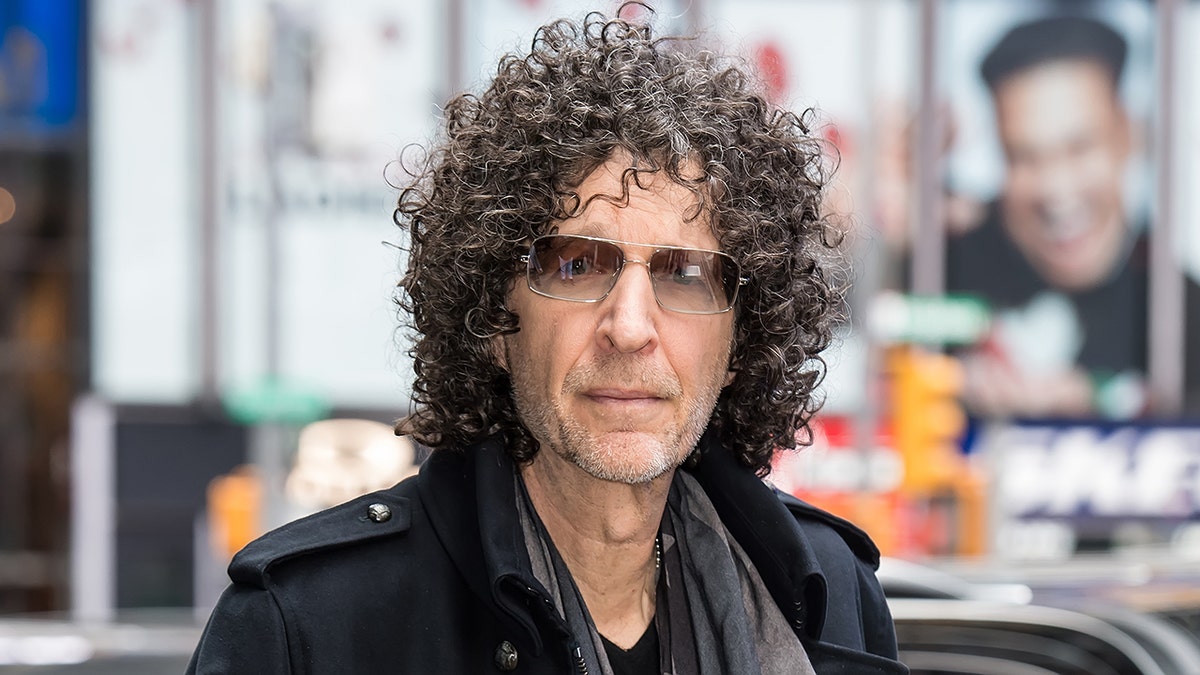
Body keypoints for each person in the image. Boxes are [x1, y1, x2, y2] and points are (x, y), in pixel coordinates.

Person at [188, 9, 905, 674]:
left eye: (684, 275)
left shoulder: (827, 591)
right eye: (577, 266)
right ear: (493, 322)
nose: (630, 327)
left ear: (739, 343)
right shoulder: (305, 626)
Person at [945, 14, 1200, 419]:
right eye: (1024, 157)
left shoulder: (1182, 312)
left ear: (1127, 135)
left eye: (1079, 148)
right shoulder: (942, 270)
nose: (1055, 190)